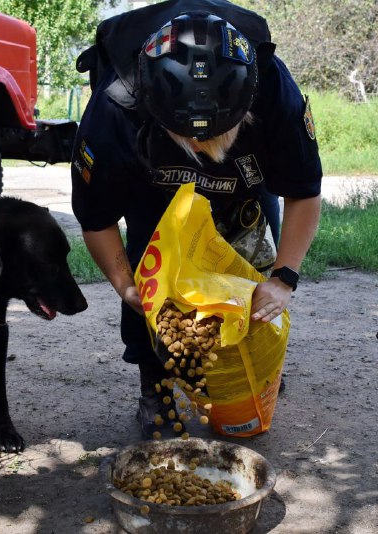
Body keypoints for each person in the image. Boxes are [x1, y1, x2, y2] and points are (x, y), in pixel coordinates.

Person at [71, 0, 322, 439]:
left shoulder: (274, 87)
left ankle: (251, 366)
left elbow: (304, 190)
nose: (205, 150)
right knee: (152, 281)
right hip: (154, 187)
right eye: (191, 139)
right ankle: (156, 383)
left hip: (248, 182)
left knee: (255, 272)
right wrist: (127, 285)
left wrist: (283, 278)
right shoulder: (114, 110)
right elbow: (96, 218)